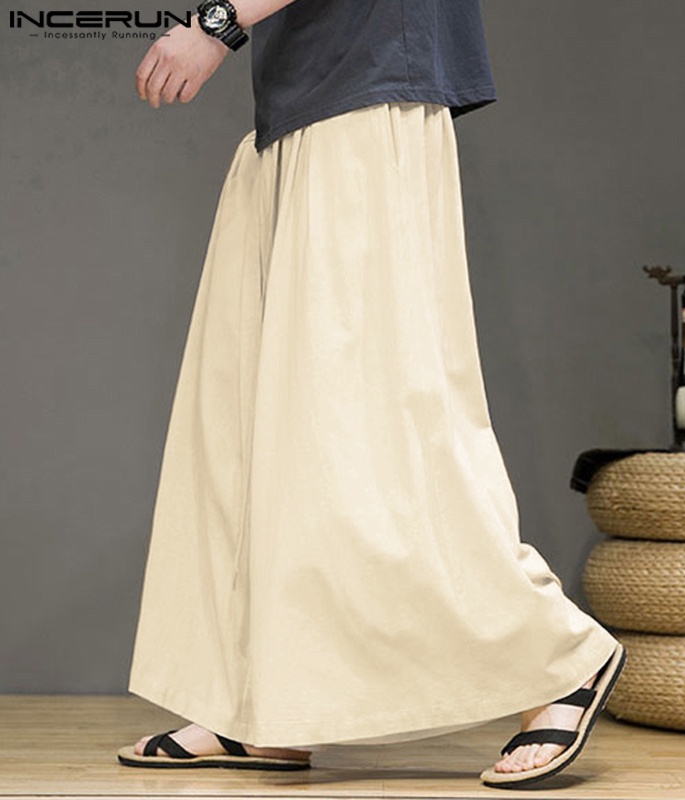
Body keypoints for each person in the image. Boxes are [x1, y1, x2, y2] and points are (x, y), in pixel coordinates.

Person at [116, 0, 626, 789]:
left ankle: (558, 662)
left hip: (361, 106)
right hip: (307, 104)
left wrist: (217, 23)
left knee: (380, 423)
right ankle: (270, 706)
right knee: (263, 432)